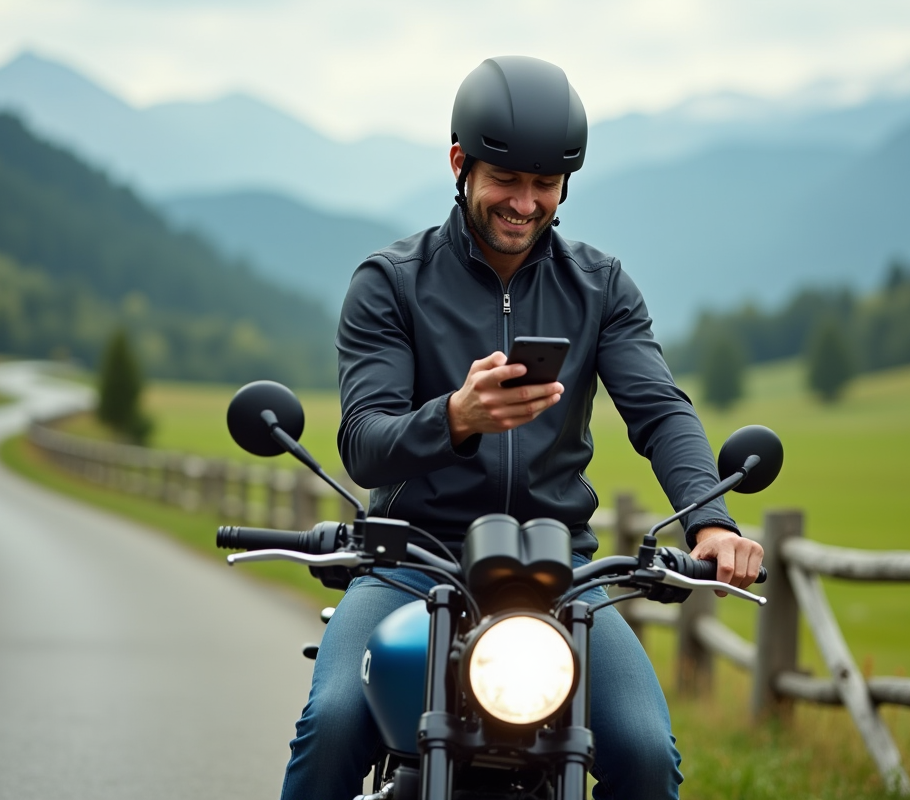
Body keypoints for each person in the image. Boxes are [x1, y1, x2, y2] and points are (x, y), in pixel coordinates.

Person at [281, 55, 763, 800]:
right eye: (507, 179)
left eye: (546, 184)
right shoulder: (391, 282)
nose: (526, 202)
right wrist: (456, 418)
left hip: (560, 574)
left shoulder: (600, 286)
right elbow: (365, 443)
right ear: (459, 164)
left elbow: (660, 410)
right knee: (336, 718)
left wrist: (710, 519)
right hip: (412, 563)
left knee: (644, 754)